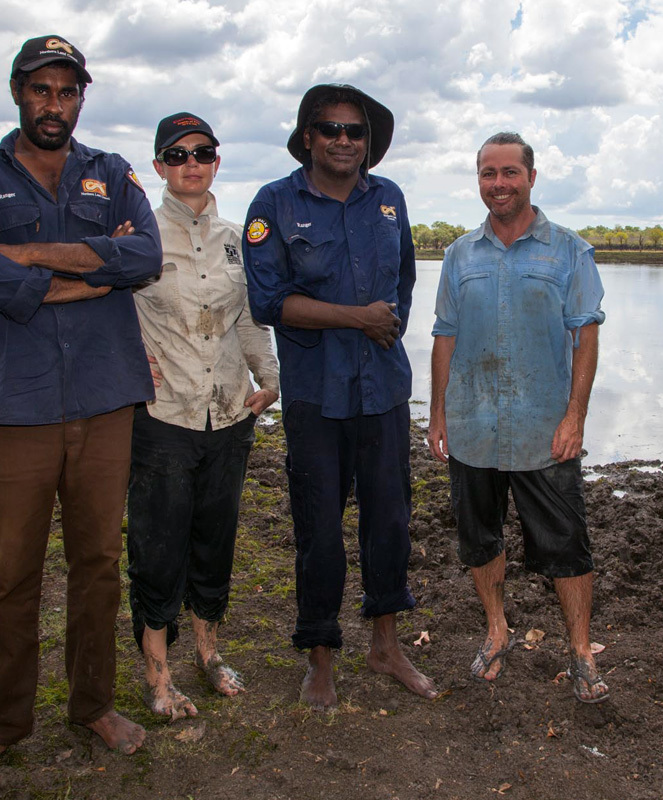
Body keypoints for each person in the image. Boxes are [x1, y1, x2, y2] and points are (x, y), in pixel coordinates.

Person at [0, 35, 160, 788]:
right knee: (11, 573)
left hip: (106, 396)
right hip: (20, 402)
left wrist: (31, 257)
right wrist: (91, 270)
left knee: (98, 564)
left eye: (67, 92)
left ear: (80, 99)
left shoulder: (111, 173)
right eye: (42, 90)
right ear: (17, 92)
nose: (54, 104)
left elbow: (145, 259)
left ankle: (93, 705)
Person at [241, 84, 436, 710]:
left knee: (390, 522)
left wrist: (386, 322)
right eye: (330, 129)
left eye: (355, 131)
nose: (344, 140)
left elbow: (402, 282)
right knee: (318, 529)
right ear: (308, 137)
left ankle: (386, 644)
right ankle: (319, 655)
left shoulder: (389, 199)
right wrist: (360, 319)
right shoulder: (274, 202)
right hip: (313, 396)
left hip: (382, 389)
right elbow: (269, 303)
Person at [426, 132, 609, 703]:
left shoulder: (569, 250)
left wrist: (575, 415)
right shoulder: (459, 254)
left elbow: (586, 336)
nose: (498, 184)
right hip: (473, 426)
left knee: (566, 544)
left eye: (509, 172)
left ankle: (580, 651)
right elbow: (444, 337)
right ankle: (497, 630)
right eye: (487, 173)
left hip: (543, 431)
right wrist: (437, 413)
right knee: (479, 540)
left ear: (531, 177)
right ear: (478, 179)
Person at [127, 112, 279, 720]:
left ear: (217, 160)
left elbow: (247, 320)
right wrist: (131, 359)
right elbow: (110, 309)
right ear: (160, 166)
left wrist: (268, 379)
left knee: (214, 540)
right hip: (162, 415)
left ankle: (209, 653)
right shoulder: (137, 234)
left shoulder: (236, 238)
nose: (192, 162)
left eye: (203, 152)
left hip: (229, 414)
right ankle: (157, 674)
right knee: (158, 546)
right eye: (178, 153)